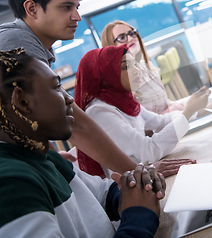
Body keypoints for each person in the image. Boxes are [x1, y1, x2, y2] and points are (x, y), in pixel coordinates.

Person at [0, 0, 191, 178]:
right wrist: (136, 170)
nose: (77, 17)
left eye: (77, 7)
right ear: (32, 9)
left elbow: (27, 117)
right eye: (66, 7)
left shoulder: (26, 44)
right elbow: (77, 123)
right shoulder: (17, 44)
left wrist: (51, 152)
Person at [0, 48, 162, 237]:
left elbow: (100, 194)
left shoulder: (46, 157)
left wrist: (135, 189)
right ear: (22, 101)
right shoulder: (10, 184)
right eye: (55, 88)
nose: (69, 99)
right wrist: (139, 218)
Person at [74, 45, 210, 177]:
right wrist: (188, 112)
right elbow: (149, 151)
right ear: (105, 75)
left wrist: (192, 109)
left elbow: (160, 122)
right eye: (126, 67)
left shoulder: (122, 101)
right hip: (130, 187)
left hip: (145, 177)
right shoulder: (100, 113)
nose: (137, 70)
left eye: (134, 64)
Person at [100, 20, 212, 115]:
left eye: (132, 33)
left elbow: (166, 104)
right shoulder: (123, 83)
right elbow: (153, 125)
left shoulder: (146, 65)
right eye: (122, 37)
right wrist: (204, 109)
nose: (130, 38)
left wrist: (205, 103)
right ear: (110, 46)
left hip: (174, 120)